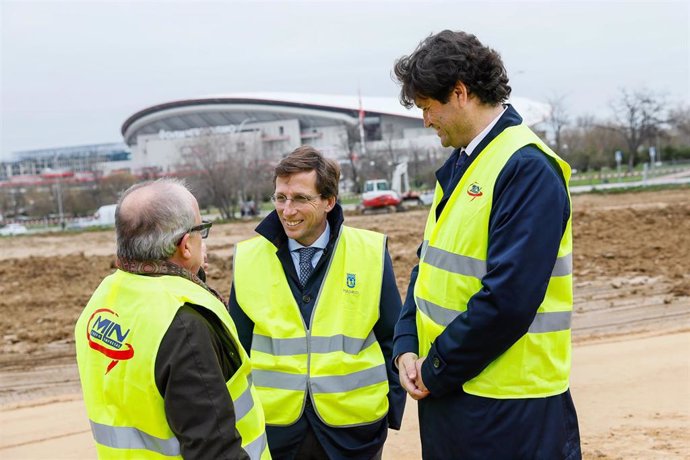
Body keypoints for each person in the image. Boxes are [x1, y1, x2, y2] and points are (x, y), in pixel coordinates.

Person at [391, 30, 581, 459]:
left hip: (510, 409)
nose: (425, 120)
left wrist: (435, 367)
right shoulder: (462, 166)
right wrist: (405, 346)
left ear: (459, 93)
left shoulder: (526, 167)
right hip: (454, 396)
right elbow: (429, 271)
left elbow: (509, 299)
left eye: (427, 107)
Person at [229, 146, 406, 460]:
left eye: (300, 198)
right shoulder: (247, 259)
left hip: (355, 432)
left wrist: (389, 409)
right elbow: (236, 352)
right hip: (276, 432)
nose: (287, 210)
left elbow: (393, 337)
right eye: (280, 197)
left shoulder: (370, 251)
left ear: (328, 201)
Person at [74, 178, 270, 459]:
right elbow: (213, 451)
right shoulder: (185, 324)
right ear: (184, 245)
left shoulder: (102, 302)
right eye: (201, 230)